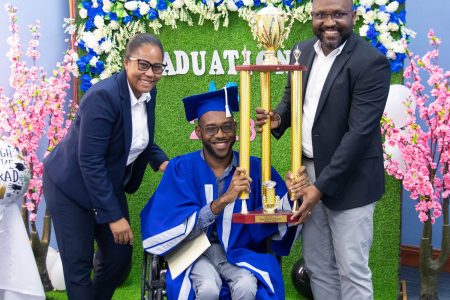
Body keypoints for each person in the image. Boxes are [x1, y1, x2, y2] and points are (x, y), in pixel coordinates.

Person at [255, 0, 391, 298]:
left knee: (352, 269)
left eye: (338, 14)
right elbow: (293, 100)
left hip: (351, 179)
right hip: (308, 173)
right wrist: (278, 117)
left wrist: (318, 190)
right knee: (318, 266)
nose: (329, 22)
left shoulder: (371, 62)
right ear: (312, 16)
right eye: (321, 15)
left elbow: (358, 135)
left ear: (352, 16)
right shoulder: (301, 51)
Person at [141, 85, 307, 299]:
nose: (220, 135)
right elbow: (168, 224)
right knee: (208, 288)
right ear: (199, 132)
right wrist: (223, 201)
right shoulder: (182, 169)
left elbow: (274, 212)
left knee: (247, 286)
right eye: (211, 129)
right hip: (194, 253)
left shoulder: (255, 168)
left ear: (236, 129)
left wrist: (292, 195)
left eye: (227, 127)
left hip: (239, 251)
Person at [43, 33, 169, 300]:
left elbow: (136, 135)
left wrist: (161, 161)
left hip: (104, 184)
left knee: (119, 257)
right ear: (126, 63)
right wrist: (113, 217)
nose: (150, 73)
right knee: (79, 264)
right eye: (143, 64)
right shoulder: (103, 97)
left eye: (157, 67)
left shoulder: (148, 93)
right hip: (70, 187)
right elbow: (90, 160)